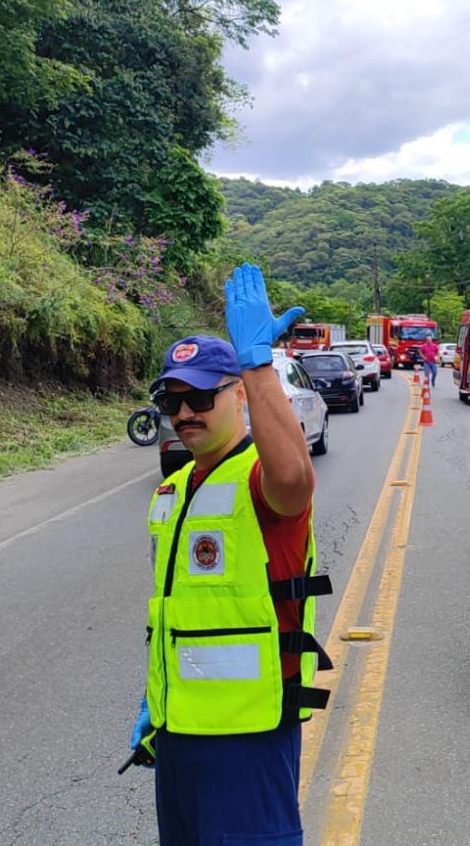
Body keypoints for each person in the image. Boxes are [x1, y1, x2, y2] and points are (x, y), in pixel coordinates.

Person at [129, 264, 332, 845]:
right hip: (177, 734)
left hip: (249, 736)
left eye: (199, 396)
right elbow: (179, 611)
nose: (185, 412)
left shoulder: (258, 481)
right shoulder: (173, 491)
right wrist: (155, 699)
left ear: (238, 395)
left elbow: (294, 476)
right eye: (172, 399)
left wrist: (259, 366)